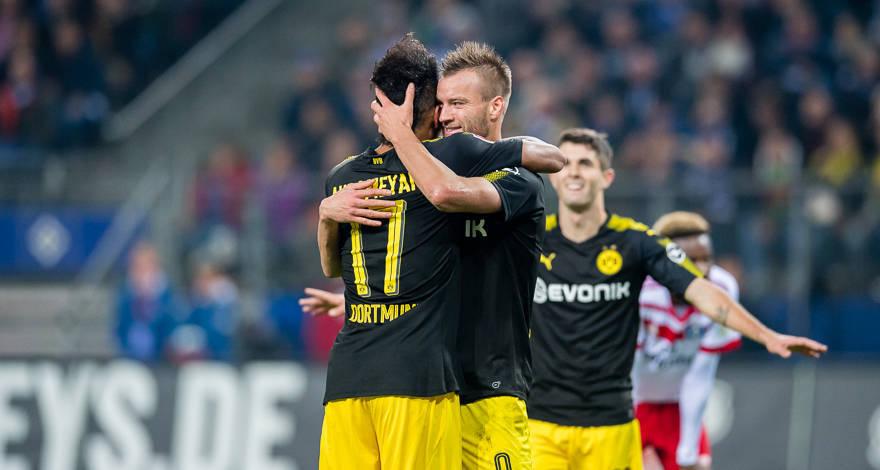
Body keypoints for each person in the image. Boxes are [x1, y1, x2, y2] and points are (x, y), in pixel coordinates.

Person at [315, 35, 561, 470]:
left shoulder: (516, 180)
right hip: (428, 380)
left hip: (488, 390)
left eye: (458, 103)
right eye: (441, 103)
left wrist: (399, 135)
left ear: (496, 107)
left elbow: (545, 159)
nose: (445, 115)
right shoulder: (429, 166)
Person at [528, 127, 827, 470]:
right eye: (566, 164)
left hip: (611, 425)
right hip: (540, 423)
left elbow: (702, 292)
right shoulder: (530, 240)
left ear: (607, 177)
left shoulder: (636, 242)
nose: (575, 172)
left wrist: (767, 336)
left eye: (586, 163)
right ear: (554, 176)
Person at [633, 211, 741, 470]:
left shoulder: (723, 289)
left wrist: (688, 450)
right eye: (691, 261)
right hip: (634, 406)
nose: (702, 270)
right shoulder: (639, 290)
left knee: (698, 465)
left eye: (706, 259)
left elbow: (702, 373)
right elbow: (624, 369)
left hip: (680, 406)